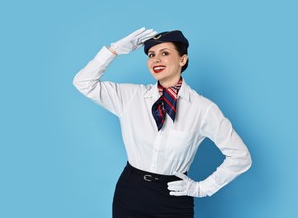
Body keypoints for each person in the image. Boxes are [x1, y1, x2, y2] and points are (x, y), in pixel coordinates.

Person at [73, 27, 252, 218]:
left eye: (164, 53)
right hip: (130, 193)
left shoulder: (203, 108)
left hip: (172, 199)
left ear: (183, 59)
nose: (156, 60)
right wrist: (114, 50)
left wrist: (202, 188)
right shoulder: (131, 97)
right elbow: (83, 83)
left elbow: (240, 156)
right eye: (151, 55)